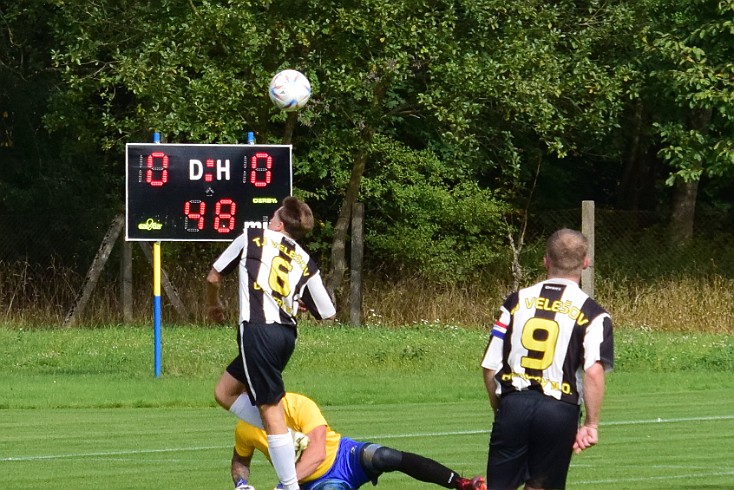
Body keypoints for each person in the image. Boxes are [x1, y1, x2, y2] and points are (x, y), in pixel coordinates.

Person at [207, 196, 336, 490]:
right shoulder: (303, 258)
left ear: (278, 221)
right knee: (224, 392)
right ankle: (290, 438)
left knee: (270, 409)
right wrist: (299, 300)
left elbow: (214, 277)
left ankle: (290, 487)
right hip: (285, 337)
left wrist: (212, 305)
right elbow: (327, 311)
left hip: (259, 331)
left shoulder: (252, 237)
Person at [480, 228, 614, 490]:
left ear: (545, 261)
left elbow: (489, 365)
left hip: (513, 403)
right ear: (585, 262)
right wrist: (591, 424)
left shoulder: (515, 302)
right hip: (558, 410)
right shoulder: (593, 313)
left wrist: (500, 407)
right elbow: (593, 371)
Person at [229, 392, 488, 490]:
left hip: (344, 455)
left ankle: (460, 483)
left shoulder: (297, 404)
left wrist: (285, 485)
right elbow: (240, 460)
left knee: (386, 456)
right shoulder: (245, 429)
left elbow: (318, 451)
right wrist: (241, 482)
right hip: (313, 482)